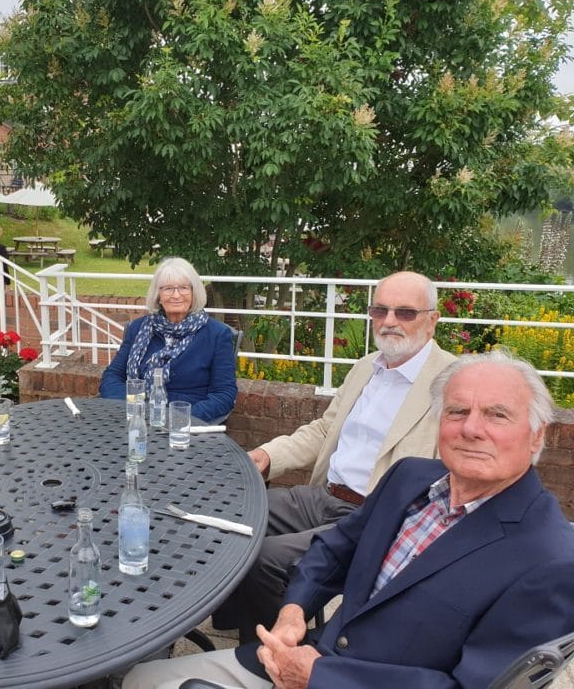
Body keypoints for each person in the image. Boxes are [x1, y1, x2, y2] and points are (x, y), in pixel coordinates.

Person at [124, 350, 574, 689]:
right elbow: (335, 549)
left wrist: (322, 675)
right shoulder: (412, 478)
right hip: (307, 655)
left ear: (537, 433)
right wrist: (294, 612)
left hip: (335, 679)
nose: (471, 428)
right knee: (140, 678)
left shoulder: (550, 560)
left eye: (497, 415)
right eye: (458, 411)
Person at [212, 270, 456, 639]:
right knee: (228, 511)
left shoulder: (452, 382)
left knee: (263, 557)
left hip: (375, 517)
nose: (389, 321)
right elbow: (325, 430)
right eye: (380, 310)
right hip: (325, 495)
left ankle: (268, 654)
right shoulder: (365, 368)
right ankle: (245, 622)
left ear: (432, 320)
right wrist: (265, 454)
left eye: (405, 313)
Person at [98, 257, 238, 423]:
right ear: (158, 295)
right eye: (168, 289)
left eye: (184, 288)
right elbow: (112, 376)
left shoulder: (217, 334)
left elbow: (224, 394)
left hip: (187, 424)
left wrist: (182, 418)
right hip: (137, 420)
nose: (176, 295)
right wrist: (132, 408)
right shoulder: (138, 329)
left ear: (194, 293)